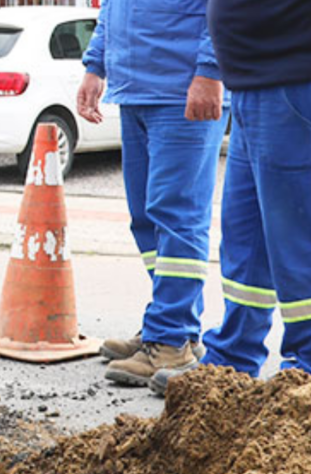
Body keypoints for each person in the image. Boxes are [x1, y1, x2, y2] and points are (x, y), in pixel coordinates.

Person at [149, 0, 311, 395]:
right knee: (247, 236)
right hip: (261, 78)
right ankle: (233, 358)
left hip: (303, 73)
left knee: (307, 233)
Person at [77, 0, 228, 388]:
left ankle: (168, 339)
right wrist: (95, 66)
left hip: (182, 89)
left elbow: (227, 6)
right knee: (146, 217)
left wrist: (211, 70)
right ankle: (173, 324)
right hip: (137, 89)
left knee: (177, 218)